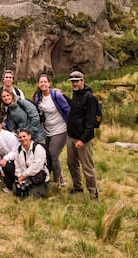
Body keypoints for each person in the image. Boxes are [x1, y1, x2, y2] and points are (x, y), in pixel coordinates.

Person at [33, 74, 71, 187]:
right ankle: (58, 177)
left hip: (61, 129)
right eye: (41, 82)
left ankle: (59, 181)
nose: (43, 84)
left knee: (54, 154)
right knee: (48, 155)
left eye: (45, 81)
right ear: (38, 84)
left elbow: (67, 110)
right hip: (47, 130)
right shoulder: (37, 96)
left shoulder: (56, 95)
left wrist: (72, 127)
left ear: (49, 83)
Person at [66, 71, 99, 200]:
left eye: (76, 81)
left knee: (87, 167)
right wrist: (62, 96)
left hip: (83, 139)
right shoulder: (76, 94)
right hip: (71, 136)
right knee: (71, 163)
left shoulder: (90, 98)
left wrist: (83, 139)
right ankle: (77, 187)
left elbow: (90, 122)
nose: (74, 83)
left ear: (82, 81)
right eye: (72, 81)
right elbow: (74, 109)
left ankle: (93, 193)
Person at [13, 129, 50, 198]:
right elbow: (17, 166)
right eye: (20, 137)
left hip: (38, 177)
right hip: (25, 178)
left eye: (24, 136)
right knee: (16, 191)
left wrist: (23, 176)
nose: (22, 139)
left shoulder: (38, 148)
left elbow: (36, 167)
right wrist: (19, 177)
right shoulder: (18, 150)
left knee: (32, 195)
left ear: (29, 136)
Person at [0, 115, 18, 193]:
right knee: (4, 167)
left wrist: (6, 159)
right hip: (5, 160)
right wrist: (0, 169)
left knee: (8, 165)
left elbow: (16, 150)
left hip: (16, 158)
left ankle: (16, 183)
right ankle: (9, 186)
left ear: (1, 125)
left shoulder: (8, 135)